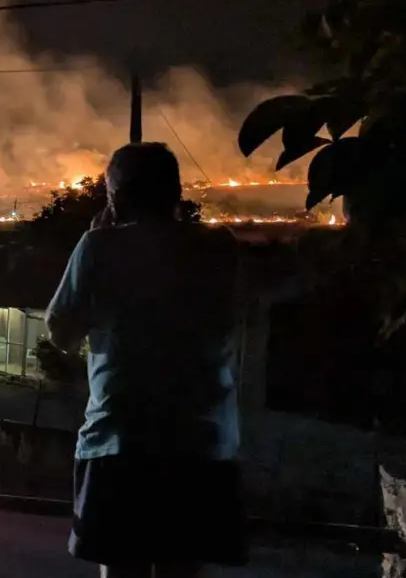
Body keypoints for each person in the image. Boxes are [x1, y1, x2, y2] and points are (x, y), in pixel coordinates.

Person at [46, 142, 247, 578]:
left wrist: (99, 241)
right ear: (176, 192)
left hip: (121, 439)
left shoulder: (98, 246)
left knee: (123, 570)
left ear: (115, 197)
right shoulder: (220, 248)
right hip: (203, 440)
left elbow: (61, 333)